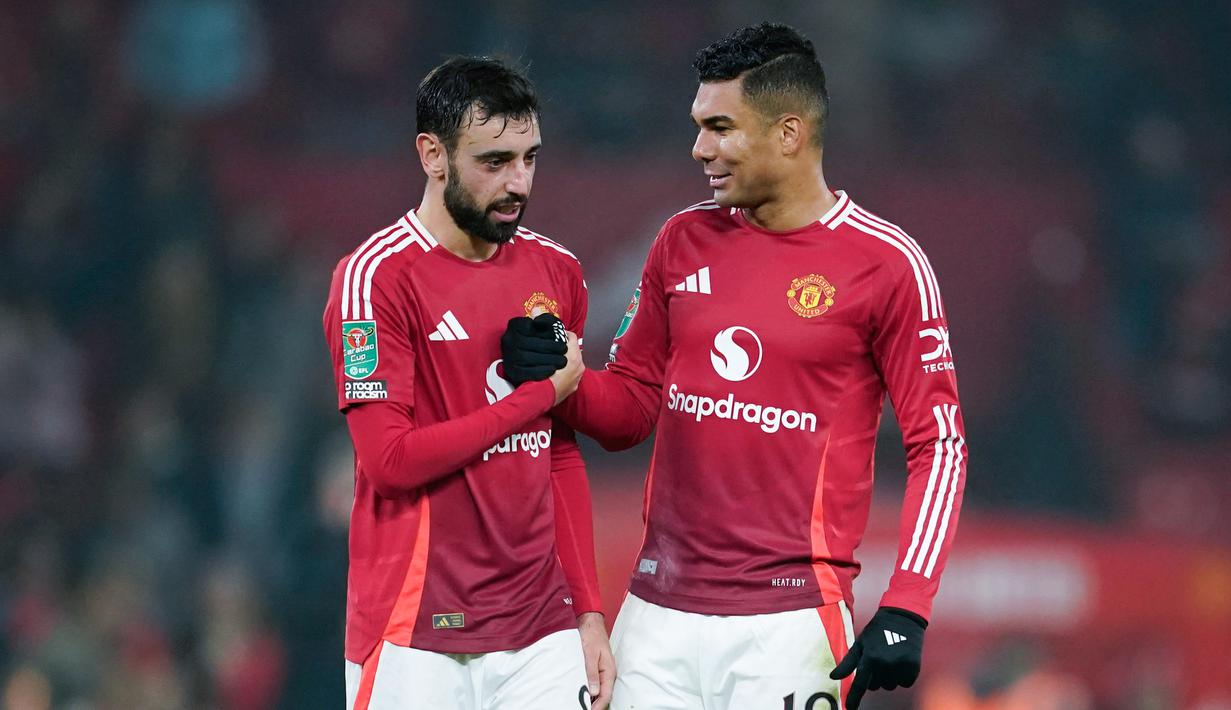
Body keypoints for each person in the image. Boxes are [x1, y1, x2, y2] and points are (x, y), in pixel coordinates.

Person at [503, 23, 968, 710]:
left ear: (788, 133)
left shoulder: (885, 263)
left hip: (788, 622)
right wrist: (560, 380)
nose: (699, 149)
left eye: (720, 127)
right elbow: (629, 410)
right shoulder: (681, 240)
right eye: (697, 126)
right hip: (655, 615)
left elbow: (941, 446)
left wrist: (907, 604)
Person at [322, 56, 614, 710]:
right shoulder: (375, 279)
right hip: (414, 631)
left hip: (541, 631)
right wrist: (538, 396)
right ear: (432, 154)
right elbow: (390, 461)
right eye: (494, 162)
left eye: (529, 159)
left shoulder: (556, 270)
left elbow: (558, 455)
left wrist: (587, 612)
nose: (518, 183)